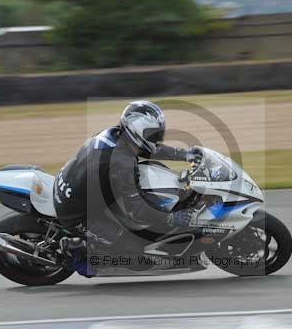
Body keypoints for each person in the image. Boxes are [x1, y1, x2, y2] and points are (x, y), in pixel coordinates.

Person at [53, 100, 202, 276]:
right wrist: (172, 218)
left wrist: (184, 154)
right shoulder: (122, 163)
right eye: (153, 134)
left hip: (73, 188)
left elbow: (150, 150)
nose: (158, 138)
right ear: (137, 132)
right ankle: (75, 254)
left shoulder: (117, 135)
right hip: (77, 213)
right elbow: (137, 211)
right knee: (133, 250)